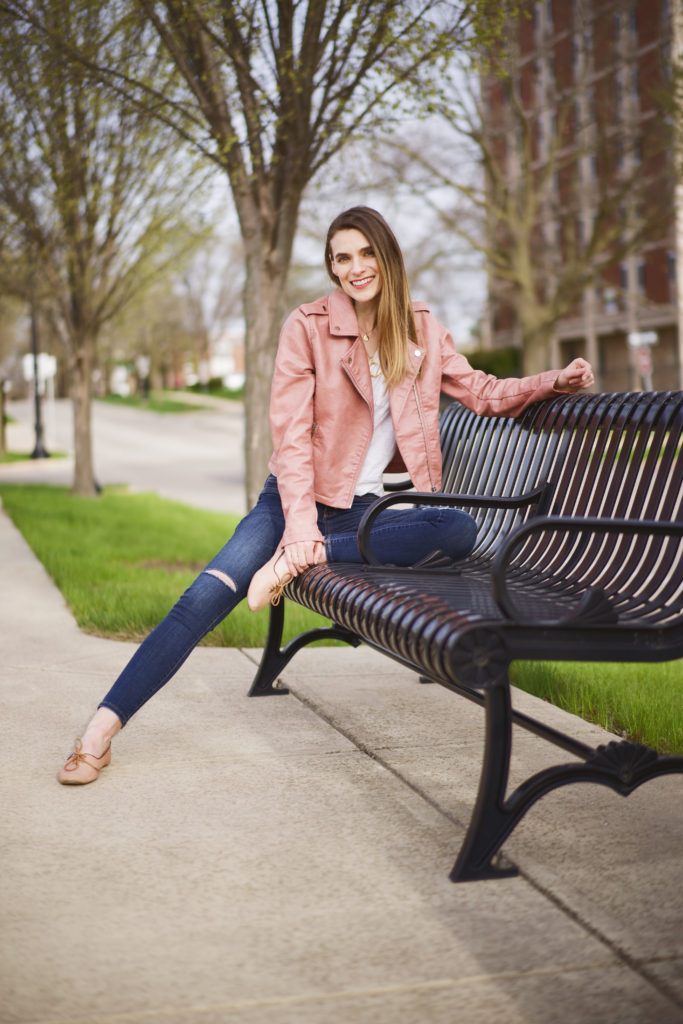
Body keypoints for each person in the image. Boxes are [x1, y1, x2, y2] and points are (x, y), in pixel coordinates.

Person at [58, 206, 594, 785]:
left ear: (387, 257)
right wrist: (298, 526)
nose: (356, 267)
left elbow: (484, 392)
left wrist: (549, 383)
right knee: (207, 594)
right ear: (332, 268)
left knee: (457, 529)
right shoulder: (307, 327)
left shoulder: (422, 330)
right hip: (293, 500)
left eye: (366, 253)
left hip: (363, 511)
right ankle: (100, 731)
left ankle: (302, 560)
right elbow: (291, 439)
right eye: (343, 257)